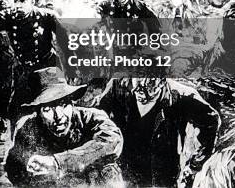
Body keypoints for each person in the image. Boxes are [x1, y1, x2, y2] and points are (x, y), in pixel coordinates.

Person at [5, 67, 123, 186]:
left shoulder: (93, 117)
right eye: (48, 109)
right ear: (37, 112)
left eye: (64, 104)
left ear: (72, 102)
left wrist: (58, 162)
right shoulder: (29, 128)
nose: (59, 116)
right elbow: (15, 168)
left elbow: (112, 141)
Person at [92, 77, 220, 187]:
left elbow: (211, 121)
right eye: (139, 77)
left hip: (162, 174)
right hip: (123, 172)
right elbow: (96, 117)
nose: (141, 85)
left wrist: (195, 164)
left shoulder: (181, 97)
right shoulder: (118, 86)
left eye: (150, 81)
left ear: (162, 80)